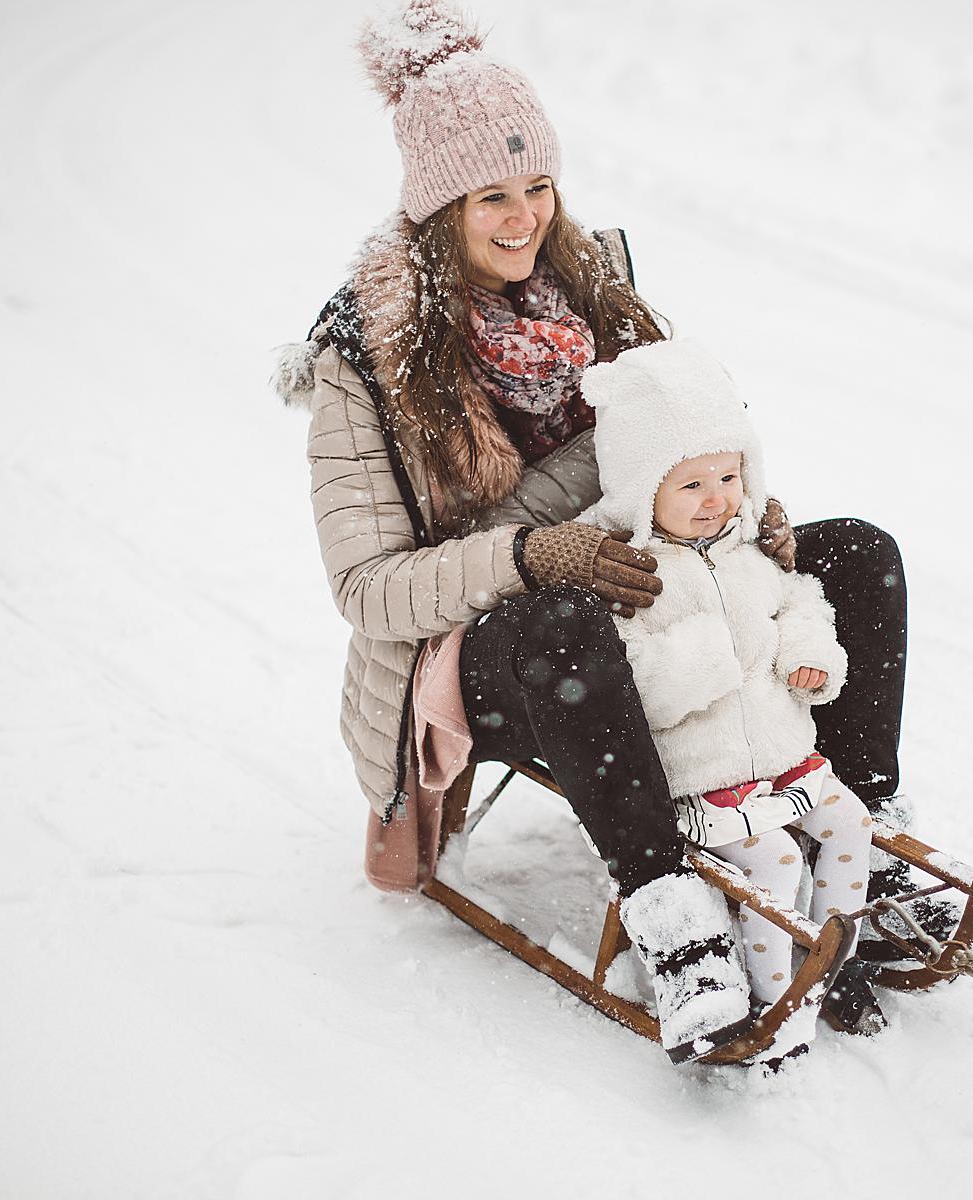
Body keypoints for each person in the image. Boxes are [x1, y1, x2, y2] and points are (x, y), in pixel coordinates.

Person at [273, 0, 914, 1062]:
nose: (522, 217)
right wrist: (527, 553)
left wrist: (746, 505)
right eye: (490, 196)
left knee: (858, 554)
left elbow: (697, 420)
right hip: (500, 644)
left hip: (660, 589)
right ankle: (673, 919)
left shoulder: (594, 285)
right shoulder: (367, 358)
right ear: (439, 208)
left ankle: (864, 832)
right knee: (564, 617)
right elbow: (369, 588)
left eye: (537, 187)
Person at [582, 339, 876, 1063]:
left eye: (728, 476)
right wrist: (707, 656)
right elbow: (633, 685)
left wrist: (807, 654)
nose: (716, 499)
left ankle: (834, 962)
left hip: (784, 755)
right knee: (775, 859)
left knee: (851, 822)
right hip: (706, 778)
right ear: (640, 488)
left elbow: (799, 602)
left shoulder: (748, 553)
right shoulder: (635, 576)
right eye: (690, 485)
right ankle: (778, 998)